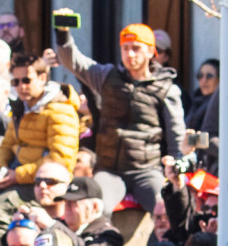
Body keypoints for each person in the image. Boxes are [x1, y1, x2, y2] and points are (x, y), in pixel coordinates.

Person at [54, 15, 186, 234]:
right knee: (97, 208)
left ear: (151, 51)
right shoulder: (107, 76)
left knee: (165, 208)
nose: (130, 54)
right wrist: (62, 34)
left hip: (146, 170)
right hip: (110, 170)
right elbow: (74, 62)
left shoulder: (166, 88)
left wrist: (177, 165)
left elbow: (176, 135)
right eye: (125, 48)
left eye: (136, 48)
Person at [0, 52, 80, 190]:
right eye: (16, 82)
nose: (21, 87)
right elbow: (6, 145)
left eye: (26, 80)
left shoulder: (61, 110)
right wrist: (0, 169)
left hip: (42, 183)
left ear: (42, 78)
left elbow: (60, 159)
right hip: (15, 171)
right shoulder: (20, 107)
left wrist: (17, 176)